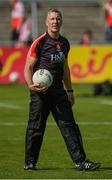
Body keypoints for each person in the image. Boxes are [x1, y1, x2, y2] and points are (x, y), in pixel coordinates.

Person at [24, 8, 101, 171]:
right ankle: (30, 162)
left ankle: (81, 161)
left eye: (58, 19)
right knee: (36, 128)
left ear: (61, 21)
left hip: (59, 93)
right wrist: (30, 85)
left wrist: (70, 91)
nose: (55, 22)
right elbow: (28, 67)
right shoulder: (39, 42)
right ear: (46, 22)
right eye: (52, 19)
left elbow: (65, 68)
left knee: (69, 126)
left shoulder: (65, 43)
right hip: (40, 93)